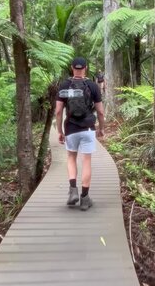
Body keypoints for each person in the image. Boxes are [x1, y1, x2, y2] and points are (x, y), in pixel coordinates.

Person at [55, 57, 105, 211]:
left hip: (71, 128)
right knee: (87, 161)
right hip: (88, 128)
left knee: (71, 158)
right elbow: (101, 112)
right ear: (86, 68)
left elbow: (58, 111)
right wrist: (101, 128)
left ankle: (73, 192)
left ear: (72, 68)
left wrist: (60, 131)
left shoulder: (64, 85)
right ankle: (84, 199)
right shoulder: (93, 86)